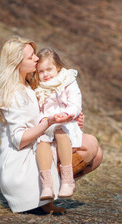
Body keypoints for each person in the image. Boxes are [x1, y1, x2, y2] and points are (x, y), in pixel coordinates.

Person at [0, 36, 103, 214]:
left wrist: (71, 119)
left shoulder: (29, 85)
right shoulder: (12, 95)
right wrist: (49, 122)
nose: (36, 58)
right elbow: (19, 140)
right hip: (21, 163)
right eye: (30, 56)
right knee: (89, 145)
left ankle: (51, 194)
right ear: (16, 63)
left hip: (38, 146)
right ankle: (40, 193)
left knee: (97, 153)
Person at [35, 48, 82, 201]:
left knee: (60, 132)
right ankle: (47, 185)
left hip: (65, 121)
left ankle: (67, 180)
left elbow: (76, 103)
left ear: (59, 67)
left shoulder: (67, 81)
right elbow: (38, 109)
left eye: (49, 69)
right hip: (47, 123)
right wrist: (43, 120)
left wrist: (68, 114)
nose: (45, 74)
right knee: (42, 141)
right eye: (41, 71)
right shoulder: (38, 88)